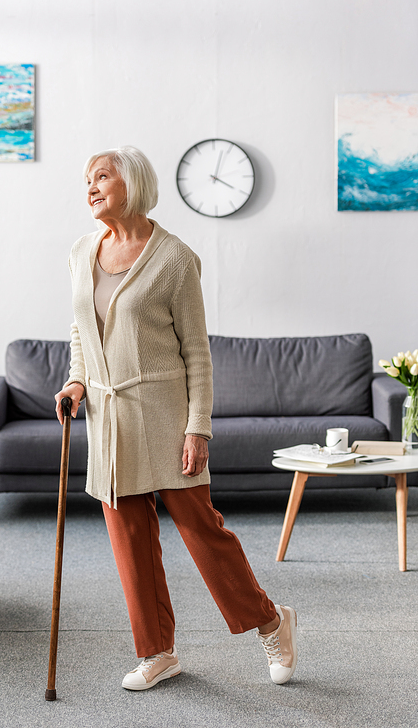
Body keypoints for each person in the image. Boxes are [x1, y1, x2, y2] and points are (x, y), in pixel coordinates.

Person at [54, 145, 298, 691]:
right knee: (129, 540)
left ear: (133, 184)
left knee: (201, 531)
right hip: (108, 419)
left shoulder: (174, 258)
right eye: (86, 180)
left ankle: (272, 622)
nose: (90, 188)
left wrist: (197, 426)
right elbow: (81, 330)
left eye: (101, 178)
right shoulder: (80, 252)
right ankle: (157, 652)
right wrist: (76, 379)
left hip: (164, 416)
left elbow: (197, 352)